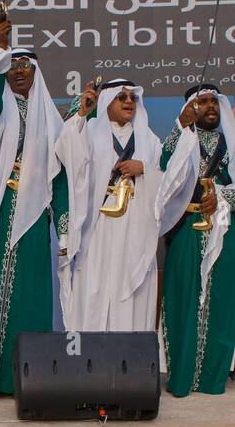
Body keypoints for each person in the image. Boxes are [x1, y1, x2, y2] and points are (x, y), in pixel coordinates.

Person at [0, 16, 69, 398]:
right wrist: (0, 46)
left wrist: (66, 229)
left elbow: (61, 174)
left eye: (26, 65)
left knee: (30, 296)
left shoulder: (51, 118)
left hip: (35, 214)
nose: (19, 71)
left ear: (36, 73)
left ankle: (29, 379)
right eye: (14, 66)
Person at [154, 83, 235, 396]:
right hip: (185, 226)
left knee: (221, 300)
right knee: (183, 298)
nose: (210, 106)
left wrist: (223, 197)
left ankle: (213, 377)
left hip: (223, 230)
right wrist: (180, 126)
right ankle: (181, 376)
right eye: (203, 102)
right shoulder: (182, 139)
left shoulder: (233, 146)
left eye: (215, 101)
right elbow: (164, 164)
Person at [56, 78, 162, 333]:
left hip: (135, 226)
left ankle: (130, 361)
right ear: (107, 101)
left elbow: (168, 184)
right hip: (97, 227)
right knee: (94, 287)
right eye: (121, 97)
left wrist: (145, 169)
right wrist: (82, 113)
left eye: (132, 98)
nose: (128, 102)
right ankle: (89, 361)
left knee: (131, 290)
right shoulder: (89, 131)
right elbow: (66, 155)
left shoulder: (149, 139)